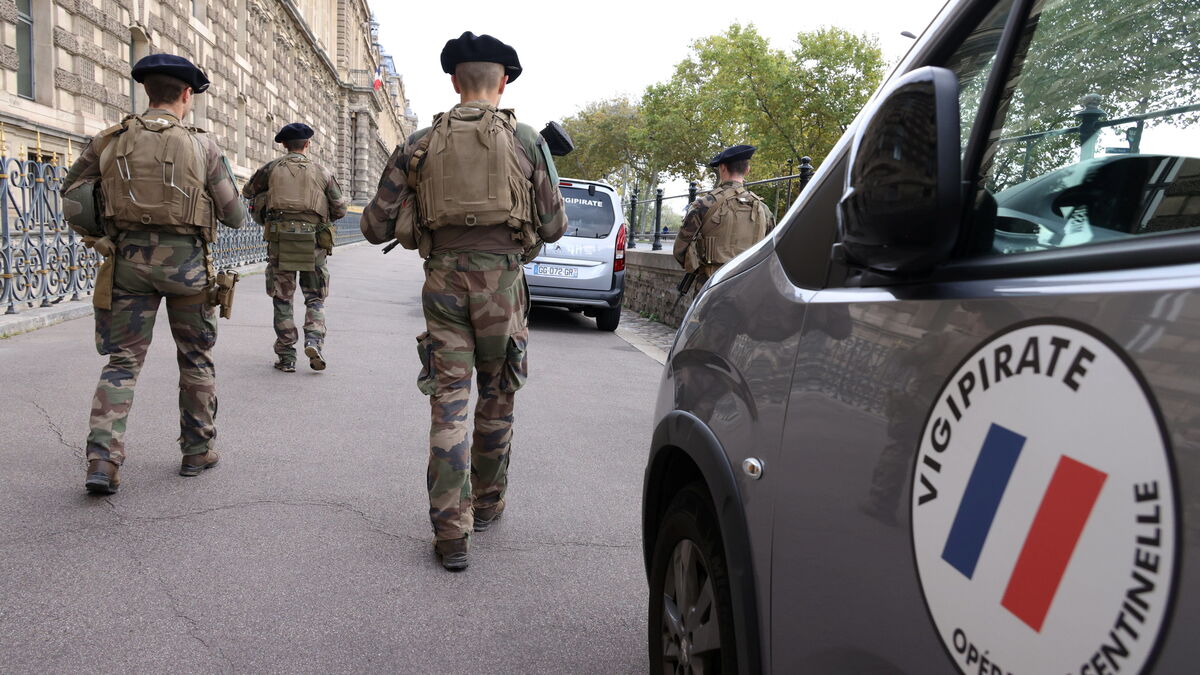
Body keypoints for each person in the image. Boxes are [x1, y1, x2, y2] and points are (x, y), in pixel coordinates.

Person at [361, 31, 567, 571]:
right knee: (498, 395)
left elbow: (373, 224)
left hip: (443, 283)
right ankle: (489, 501)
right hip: (502, 284)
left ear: (455, 82)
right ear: (503, 82)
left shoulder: (419, 144)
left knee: (449, 398)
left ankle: (451, 530)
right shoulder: (525, 139)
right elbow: (554, 224)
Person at [61, 54, 248, 494]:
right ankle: (197, 450)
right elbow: (235, 215)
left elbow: (71, 194)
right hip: (187, 267)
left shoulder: (110, 139)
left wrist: (99, 238)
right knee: (196, 358)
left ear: (147, 91)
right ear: (187, 94)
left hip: (127, 264)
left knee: (122, 362)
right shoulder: (203, 145)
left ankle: (103, 461)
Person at [242, 123, 348, 372]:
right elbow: (340, 208)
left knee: (282, 298)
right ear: (307, 145)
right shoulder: (321, 171)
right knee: (315, 298)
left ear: (283, 145)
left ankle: (287, 356)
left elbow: (248, 191)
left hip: (280, 243)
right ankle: (314, 342)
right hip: (314, 244)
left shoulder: (271, 168)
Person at [673, 144, 775, 288]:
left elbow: (680, 250)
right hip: (749, 287)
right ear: (747, 170)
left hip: (711, 284)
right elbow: (771, 251)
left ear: (722, 168)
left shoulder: (703, 205)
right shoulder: (764, 210)